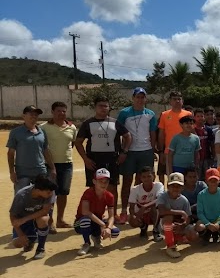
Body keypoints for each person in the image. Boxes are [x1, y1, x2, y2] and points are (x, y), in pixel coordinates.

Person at [75, 97, 131, 222]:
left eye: (106, 106)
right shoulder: (87, 123)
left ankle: (114, 214)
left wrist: (124, 152)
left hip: (112, 159)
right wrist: (85, 159)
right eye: (100, 105)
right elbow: (78, 142)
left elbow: (128, 136)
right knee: (93, 188)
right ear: (95, 107)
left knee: (112, 187)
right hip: (94, 160)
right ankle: (94, 215)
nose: (103, 108)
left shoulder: (115, 122)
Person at [117, 87, 158, 225]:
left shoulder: (150, 114)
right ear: (133, 98)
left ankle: (138, 211)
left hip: (145, 151)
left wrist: (152, 151)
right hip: (130, 152)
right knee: (127, 181)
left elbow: (153, 133)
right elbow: (119, 132)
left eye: (142, 97)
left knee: (141, 183)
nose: (140, 100)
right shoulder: (124, 113)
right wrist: (122, 151)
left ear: (146, 99)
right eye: (138, 97)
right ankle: (123, 211)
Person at [40, 101, 77, 230]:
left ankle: (60, 220)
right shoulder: (43, 127)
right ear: (52, 112)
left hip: (66, 164)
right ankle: (50, 222)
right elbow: (42, 147)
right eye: (58, 111)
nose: (61, 113)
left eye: (64, 111)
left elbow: (71, 144)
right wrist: (51, 165)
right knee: (49, 194)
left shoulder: (72, 127)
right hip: (49, 165)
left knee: (63, 193)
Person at [7, 105, 56, 194]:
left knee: (42, 197)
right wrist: (12, 172)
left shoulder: (42, 132)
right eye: (31, 114)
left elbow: (46, 151)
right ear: (23, 116)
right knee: (21, 198)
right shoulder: (15, 132)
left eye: (36, 114)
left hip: (40, 172)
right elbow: (10, 153)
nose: (34, 116)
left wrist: (52, 168)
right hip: (22, 173)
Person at [9, 174, 58, 260]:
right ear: (38, 190)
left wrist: (24, 219)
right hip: (23, 221)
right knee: (17, 244)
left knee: (43, 220)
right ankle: (31, 239)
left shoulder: (50, 191)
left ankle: (40, 249)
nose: (51, 194)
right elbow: (13, 216)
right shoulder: (21, 195)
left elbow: (45, 211)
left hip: (31, 219)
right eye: (48, 192)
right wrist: (20, 234)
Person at [74, 168, 120, 256]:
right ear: (94, 181)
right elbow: (85, 212)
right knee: (85, 220)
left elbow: (111, 216)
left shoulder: (109, 196)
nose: (103, 184)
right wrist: (102, 225)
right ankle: (86, 243)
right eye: (100, 181)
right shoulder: (88, 193)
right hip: (80, 222)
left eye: (106, 181)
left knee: (115, 232)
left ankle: (96, 237)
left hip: (97, 220)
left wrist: (108, 228)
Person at [159, 172, 198, 258]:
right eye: (173, 186)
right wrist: (180, 212)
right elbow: (161, 211)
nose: (175, 188)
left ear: (182, 188)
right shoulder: (163, 196)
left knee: (194, 236)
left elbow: (189, 217)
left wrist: (183, 225)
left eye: (178, 186)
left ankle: (177, 237)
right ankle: (170, 245)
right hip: (166, 225)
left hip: (179, 224)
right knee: (168, 217)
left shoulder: (184, 200)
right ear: (168, 186)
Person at [158, 91, 192, 184]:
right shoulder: (164, 115)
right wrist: (161, 152)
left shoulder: (188, 114)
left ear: (182, 101)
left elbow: (192, 132)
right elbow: (161, 134)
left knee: (187, 179)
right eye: (174, 99)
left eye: (179, 99)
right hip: (170, 152)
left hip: (186, 152)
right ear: (170, 102)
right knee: (172, 179)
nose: (177, 101)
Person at [195, 168, 220, 245]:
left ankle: (217, 233)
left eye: (215, 181)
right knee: (200, 227)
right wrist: (208, 224)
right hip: (206, 219)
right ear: (206, 181)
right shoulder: (201, 195)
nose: (213, 183)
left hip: (219, 219)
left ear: (219, 181)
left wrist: (219, 223)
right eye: (211, 181)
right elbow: (200, 212)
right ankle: (206, 233)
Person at [127, 166, 164, 242]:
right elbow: (131, 207)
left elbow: (160, 199)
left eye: (149, 176)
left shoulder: (158, 185)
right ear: (140, 178)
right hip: (141, 214)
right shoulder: (135, 189)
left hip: (153, 213)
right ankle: (143, 227)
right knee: (131, 220)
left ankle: (156, 231)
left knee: (155, 208)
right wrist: (133, 216)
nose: (146, 179)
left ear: (153, 176)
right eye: (144, 177)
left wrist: (145, 206)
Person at [192, 108, 215, 180]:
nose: (200, 118)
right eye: (198, 116)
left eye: (201, 116)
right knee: (196, 177)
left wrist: (213, 156)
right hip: (196, 159)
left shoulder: (208, 130)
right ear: (194, 117)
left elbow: (212, 144)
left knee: (207, 177)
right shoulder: (192, 130)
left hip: (207, 158)